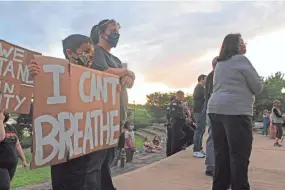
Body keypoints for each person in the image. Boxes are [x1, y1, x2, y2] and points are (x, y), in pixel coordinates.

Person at [29, 34, 107, 190]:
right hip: (65, 151)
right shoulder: (52, 76)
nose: (90, 57)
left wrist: (114, 90)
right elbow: (41, 104)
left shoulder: (97, 80)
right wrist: (34, 78)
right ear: (70, 52)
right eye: (86, 51)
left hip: (90, 150)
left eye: (92, 53)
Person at [207, 33, 263, 190]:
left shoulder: (219, 63)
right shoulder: (241, 60)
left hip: (216, 110)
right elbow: (257, 87)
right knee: (239, 157)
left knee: (221, 156)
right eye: (242, 42)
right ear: (236, 46)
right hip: (236, 112)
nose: (244, 45)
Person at [90, 19, 135, 190]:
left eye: (117, 31)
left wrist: (129, 75)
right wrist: (125, 71)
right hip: (104, 113)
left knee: (110, 154)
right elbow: (103, 71)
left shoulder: (115, 58)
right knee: (101, 156)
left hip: (118, 114)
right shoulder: (96, 51)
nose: (116, 35)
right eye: (112, 31)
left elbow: (129, 82)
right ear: (101, 33)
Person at [0, 111, 28, 190]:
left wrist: (23, 159)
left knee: (6, 184)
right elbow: (1, 137)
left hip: (12, 164)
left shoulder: (11, 128)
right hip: (1, 165)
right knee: (4, 186)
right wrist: (0, 121)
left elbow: (17, 145)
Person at [204, 56, 218, 177]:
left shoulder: (211, 75)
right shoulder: (214, 75)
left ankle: (211, 165)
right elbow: (214, 93)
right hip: (215, 110)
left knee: (213, 137)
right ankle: (211, 166)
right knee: (213, 137)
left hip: (212, 110)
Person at [193, 74, 207, 158]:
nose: (207, 81)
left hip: (201, 111)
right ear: (201, 79)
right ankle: (196, 150)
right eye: (206, 79)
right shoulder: (199, 88)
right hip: (199, 111)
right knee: (199, 130)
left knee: (201, 130)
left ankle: (199, 148)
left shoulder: (201, 88)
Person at [169, 91, 186, 155]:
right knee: (175, 138)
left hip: (181, 122)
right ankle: (173, 152)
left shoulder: (179, 103)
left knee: (179, 136)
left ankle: (178, 147)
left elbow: (182, 113)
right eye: (182, 96)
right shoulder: (174, 103)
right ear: (179, 96)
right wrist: (184, 118)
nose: (183, 97)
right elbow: (175, 115)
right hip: (176, 122)